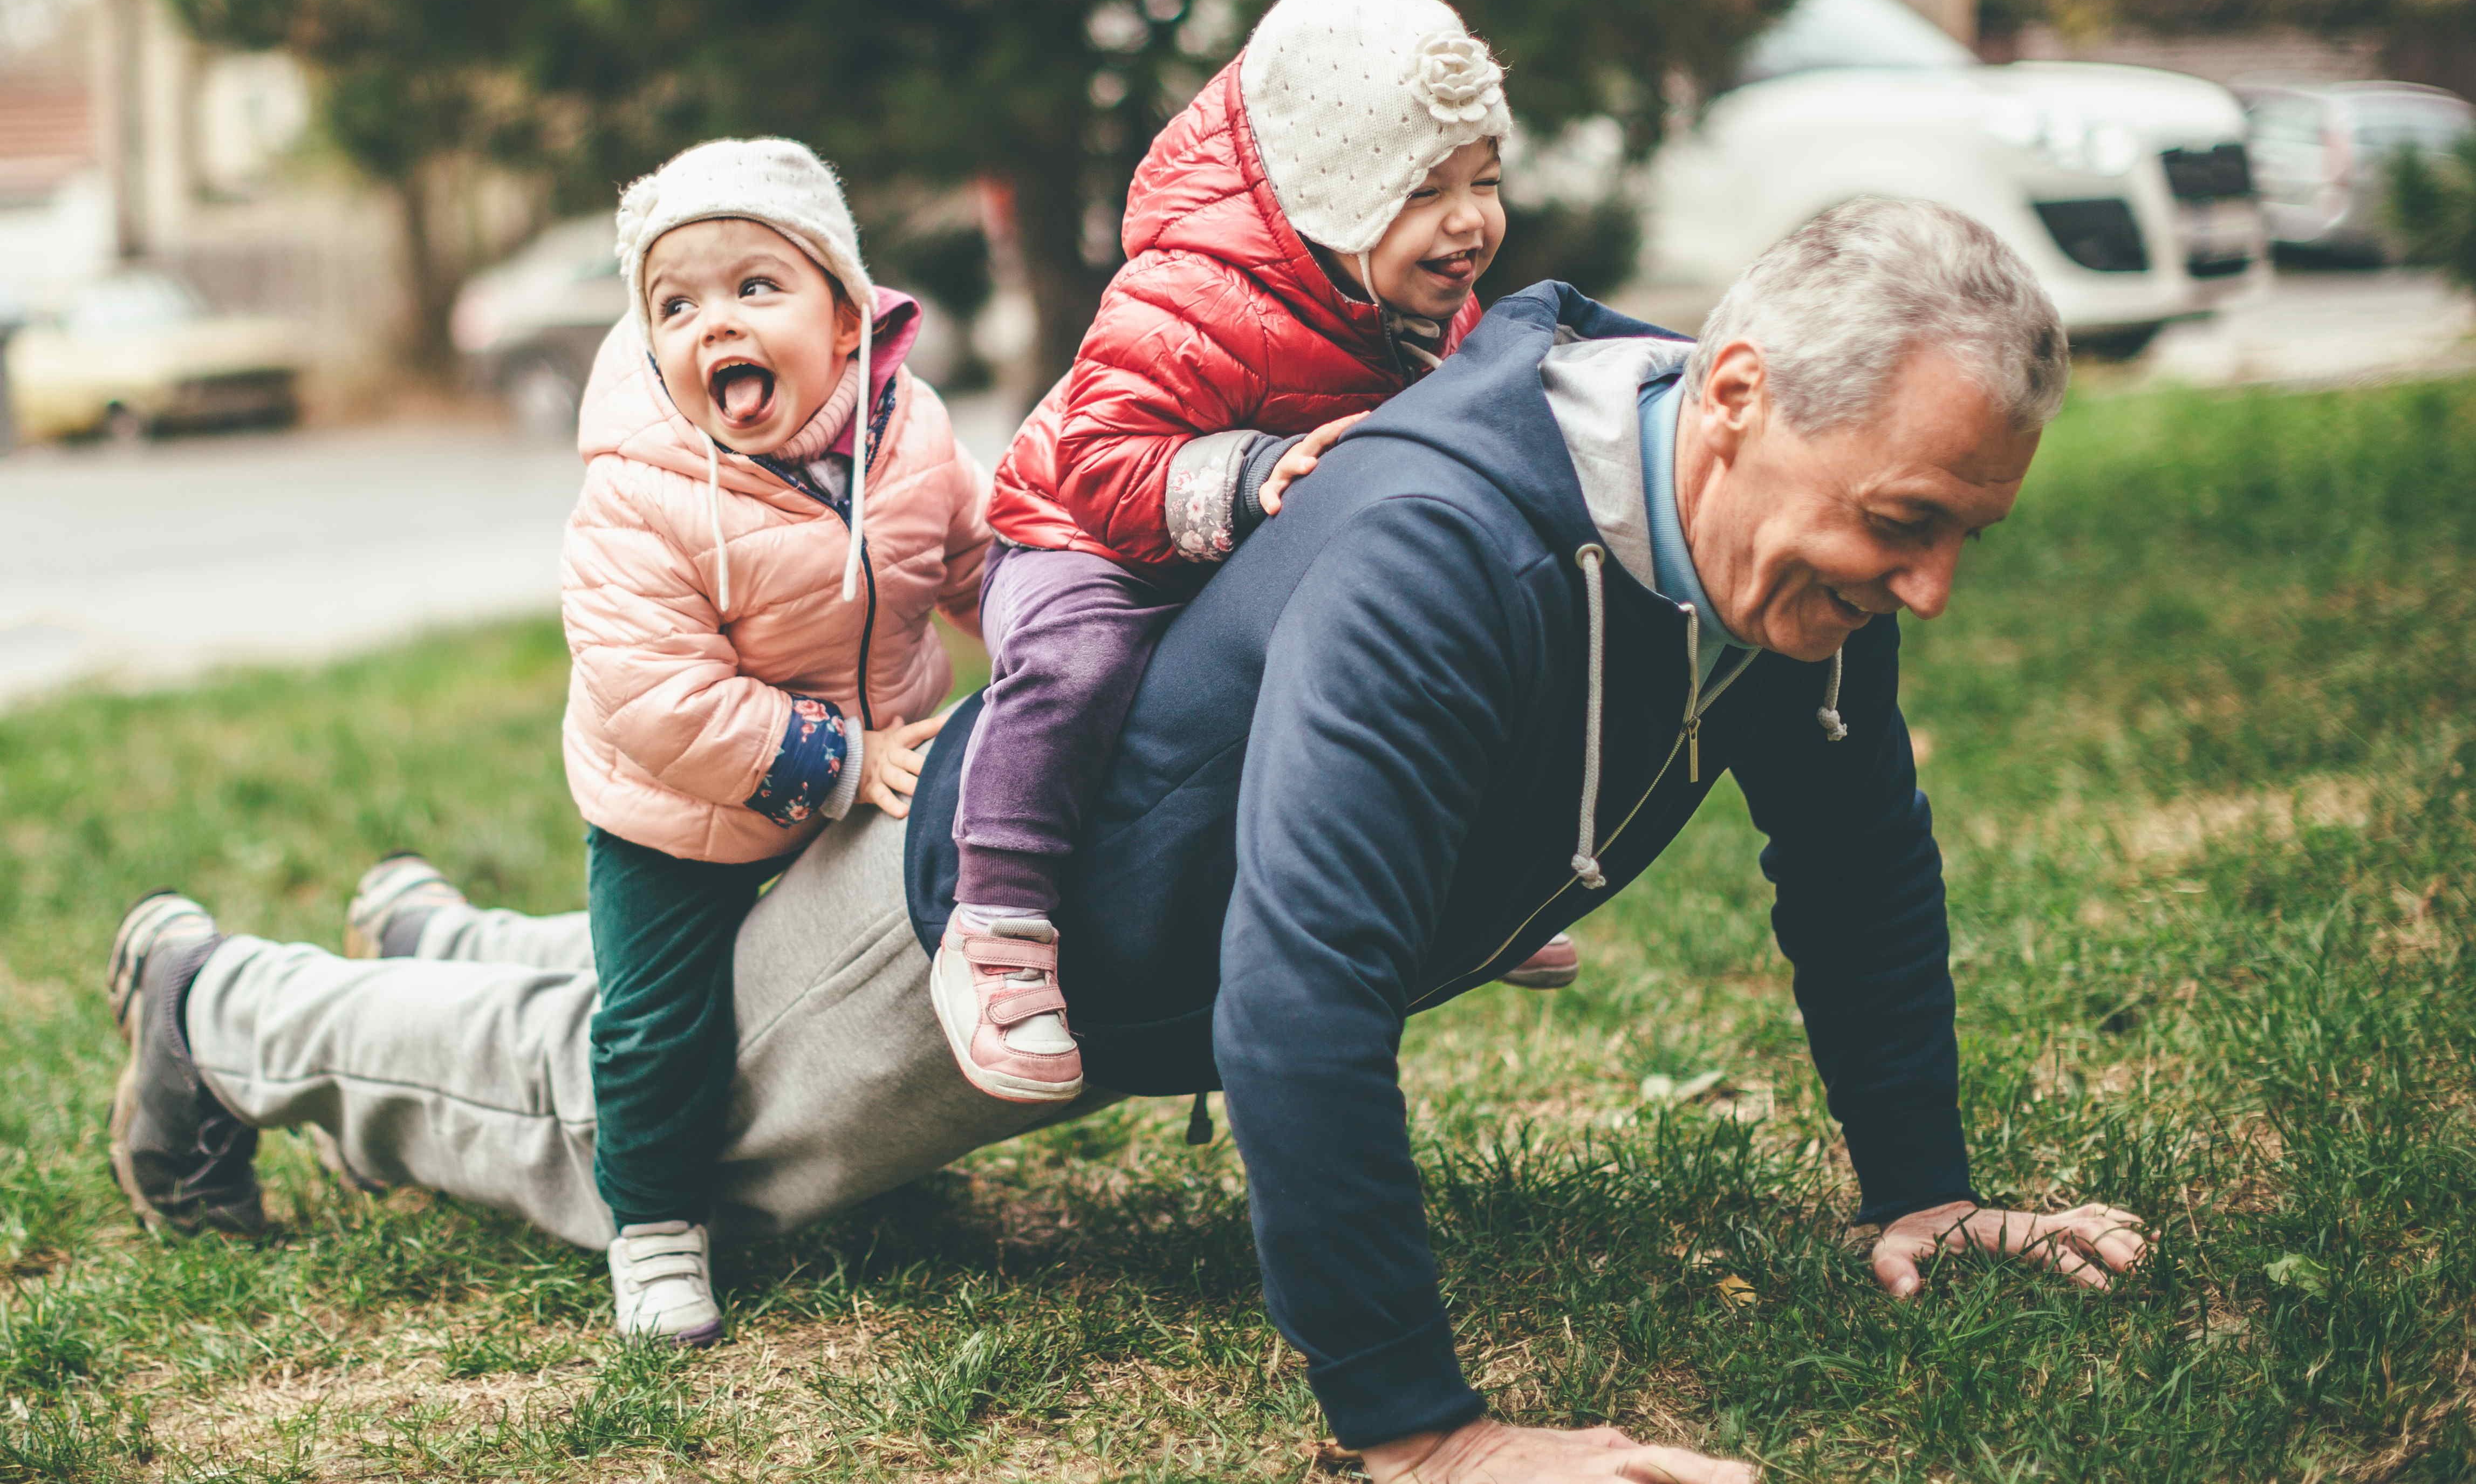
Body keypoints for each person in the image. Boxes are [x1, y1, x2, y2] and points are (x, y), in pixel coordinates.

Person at [104, 199, 2150, 1484]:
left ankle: (449, 939)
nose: (1934, 587)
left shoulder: (1771, 560)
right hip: (973, 932)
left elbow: (1859, 855)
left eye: (1966, 531)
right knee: (624, 1132)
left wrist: (1925, 1187)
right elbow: (1301, 991)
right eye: (1907, 524)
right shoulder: (1459, 543)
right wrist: (1423, 1427)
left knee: (656, 1012)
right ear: (1736, 398)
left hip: (1082, 927)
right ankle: (226, 1011)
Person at [340, 137, 985, 1346]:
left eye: (756, 287)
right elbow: (658, 696)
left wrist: (1051, 621)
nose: (713, 324)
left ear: (849, 316)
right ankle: (654, 1225)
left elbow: (972, 559)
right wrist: (843, 761)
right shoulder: (640, 492)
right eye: (675, 304)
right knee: (660, 1019)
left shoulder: (911, 433)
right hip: (678, 804)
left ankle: (442, 936)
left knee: (824, 972)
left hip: (862, 761)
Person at [945, 0, 1578, 1104]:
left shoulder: (1422, 304)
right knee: (1078, 662)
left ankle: (1456, 882)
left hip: (1257, 540)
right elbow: (1097, 461)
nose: (1472, 218)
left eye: (1484, 177)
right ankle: (997, 918)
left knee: (1420, 646)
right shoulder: (1187, 293)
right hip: (1089, 535)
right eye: (1426, 189)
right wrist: (1243, 474)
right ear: (1330, 193)